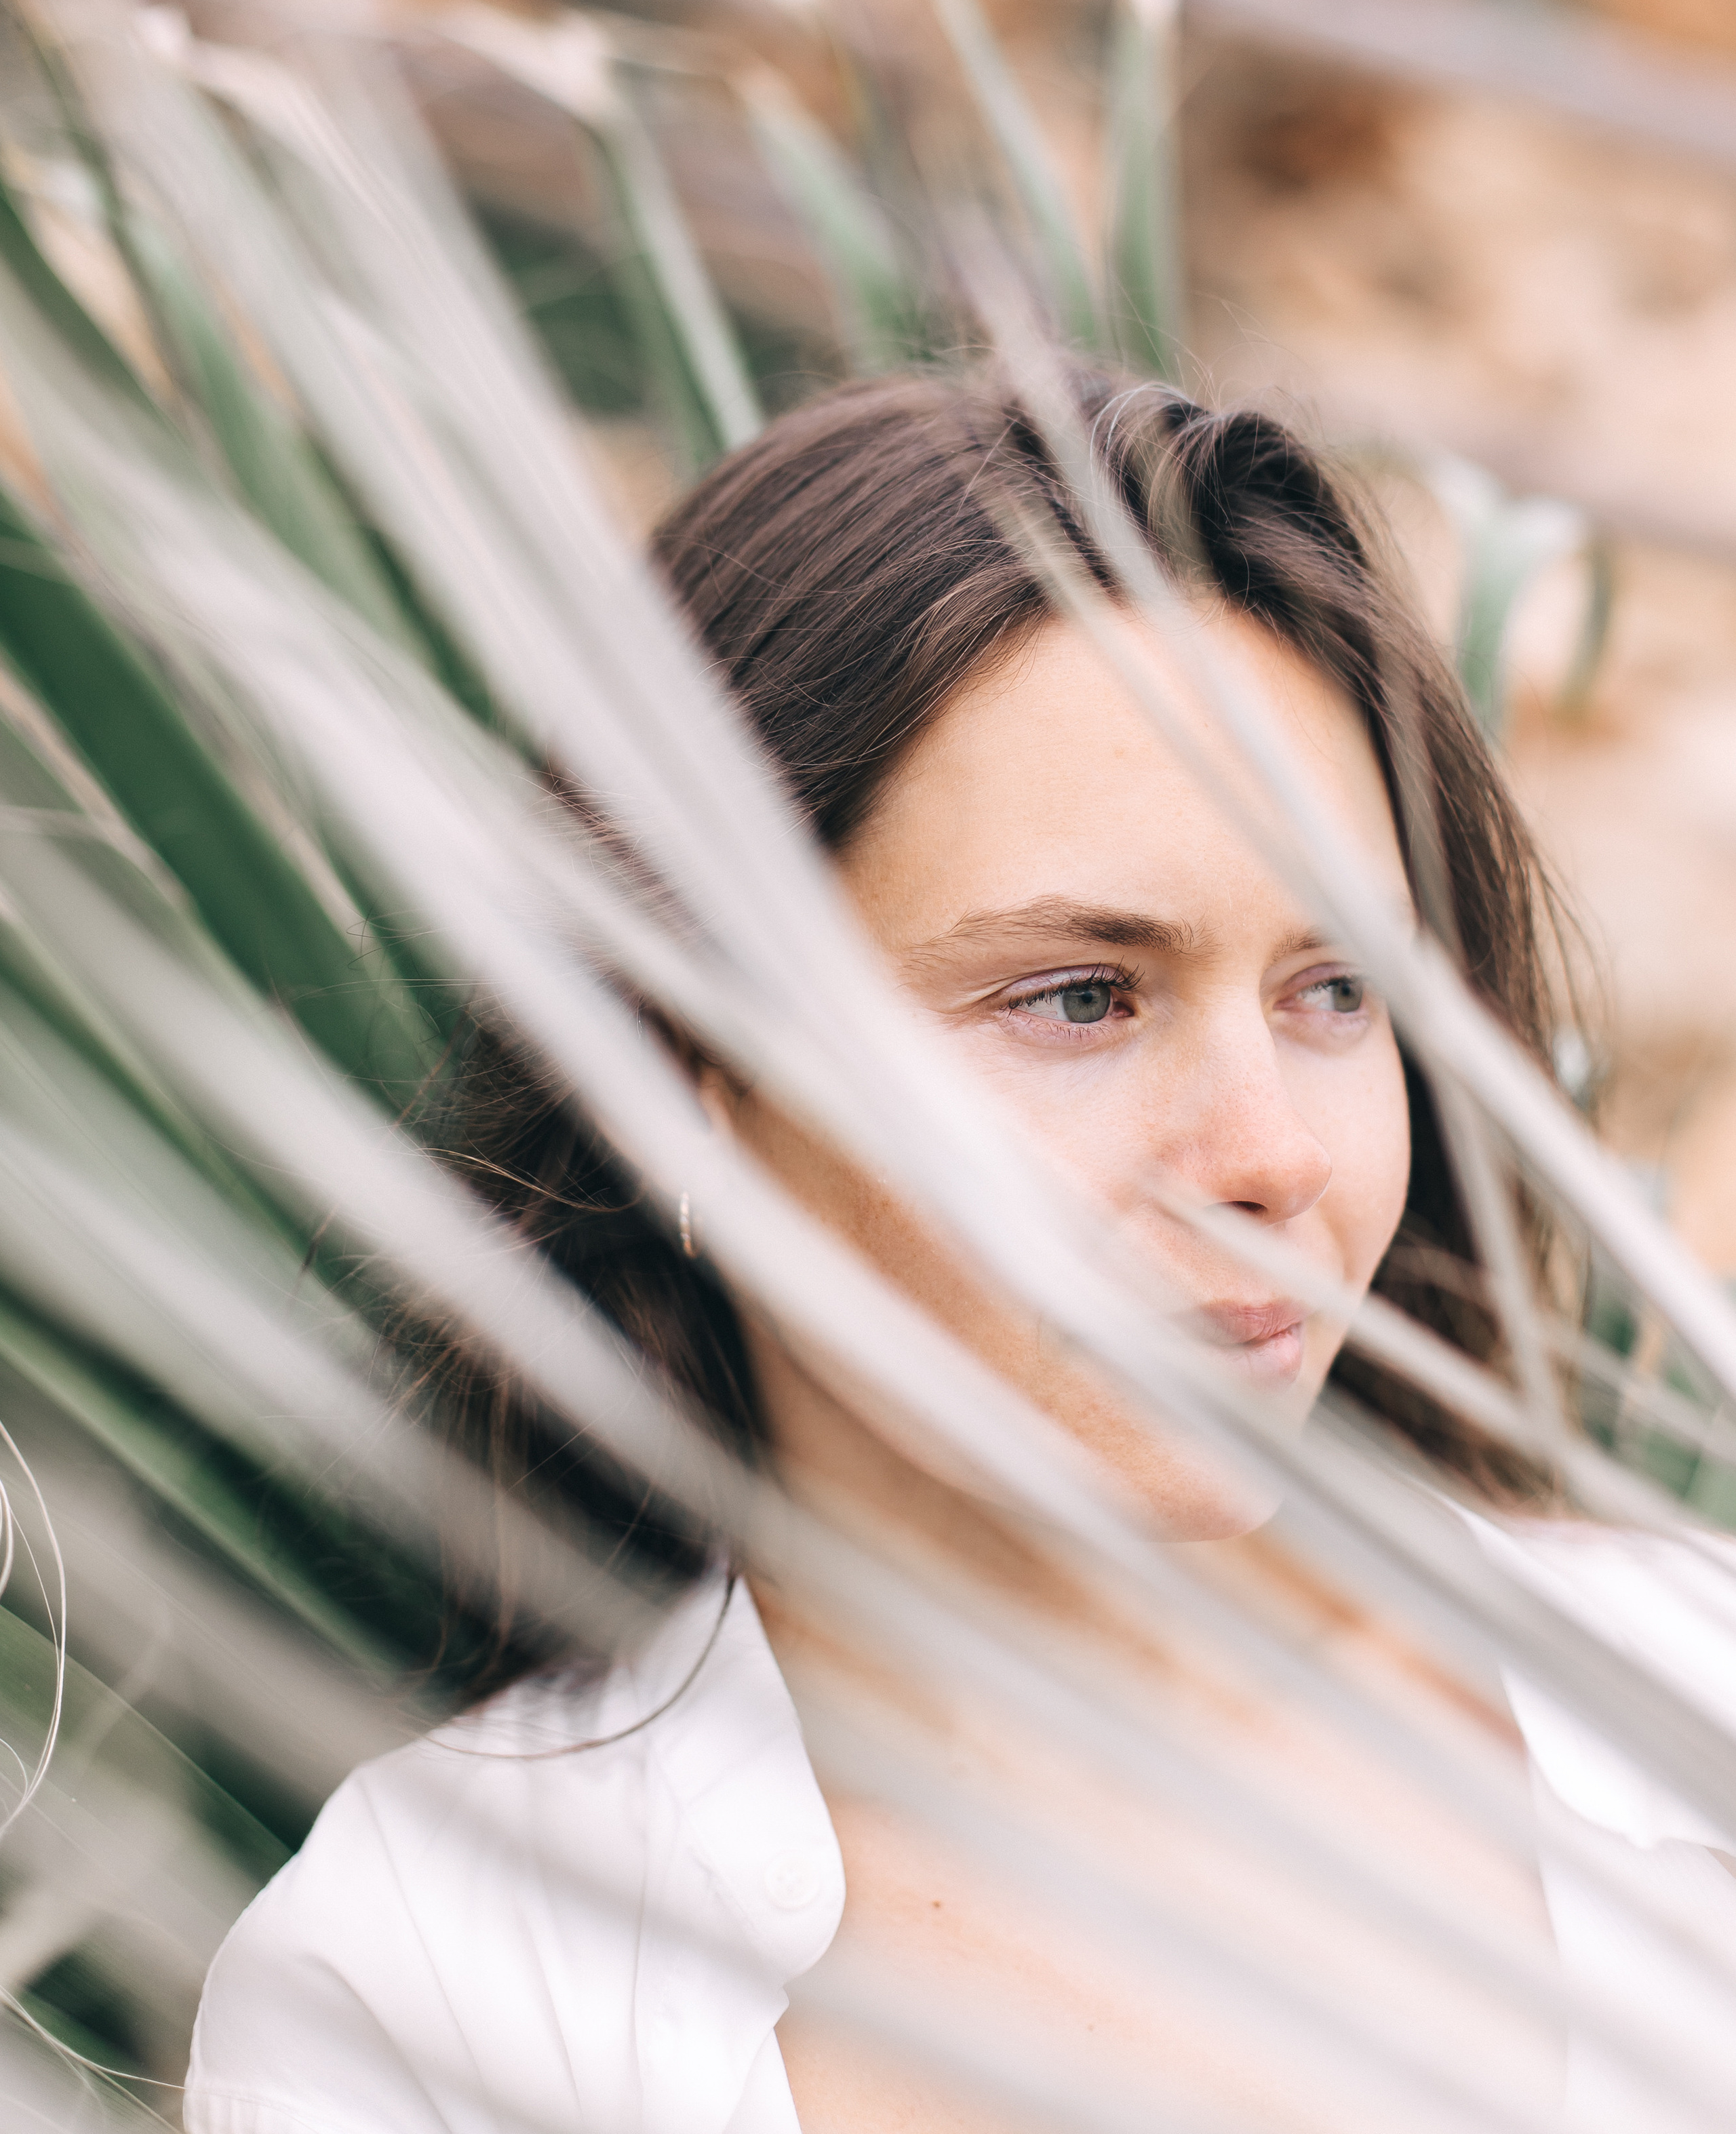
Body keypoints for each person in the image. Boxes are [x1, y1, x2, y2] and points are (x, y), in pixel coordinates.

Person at [182, 378, 1727, 2134]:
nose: (1274, 1154)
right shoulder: (439, 1987)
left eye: (1335, 989)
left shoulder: (1694, 1699)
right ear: (684, 1084)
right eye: (1079, 997)